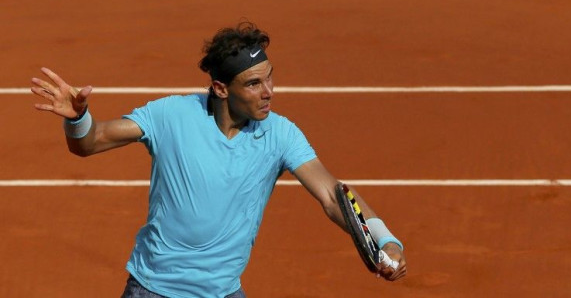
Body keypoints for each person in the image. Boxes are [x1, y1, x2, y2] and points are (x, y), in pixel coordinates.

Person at [30, 21, 407, 297]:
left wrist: (385, 241)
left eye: (270, 79)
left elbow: (333, 196)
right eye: (254, 83)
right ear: (221, 88)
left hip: (222, 292)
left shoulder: (281, 133)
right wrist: (79, 119)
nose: (269, 93)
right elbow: (91, 143)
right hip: (153, 289)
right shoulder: (171, 116)